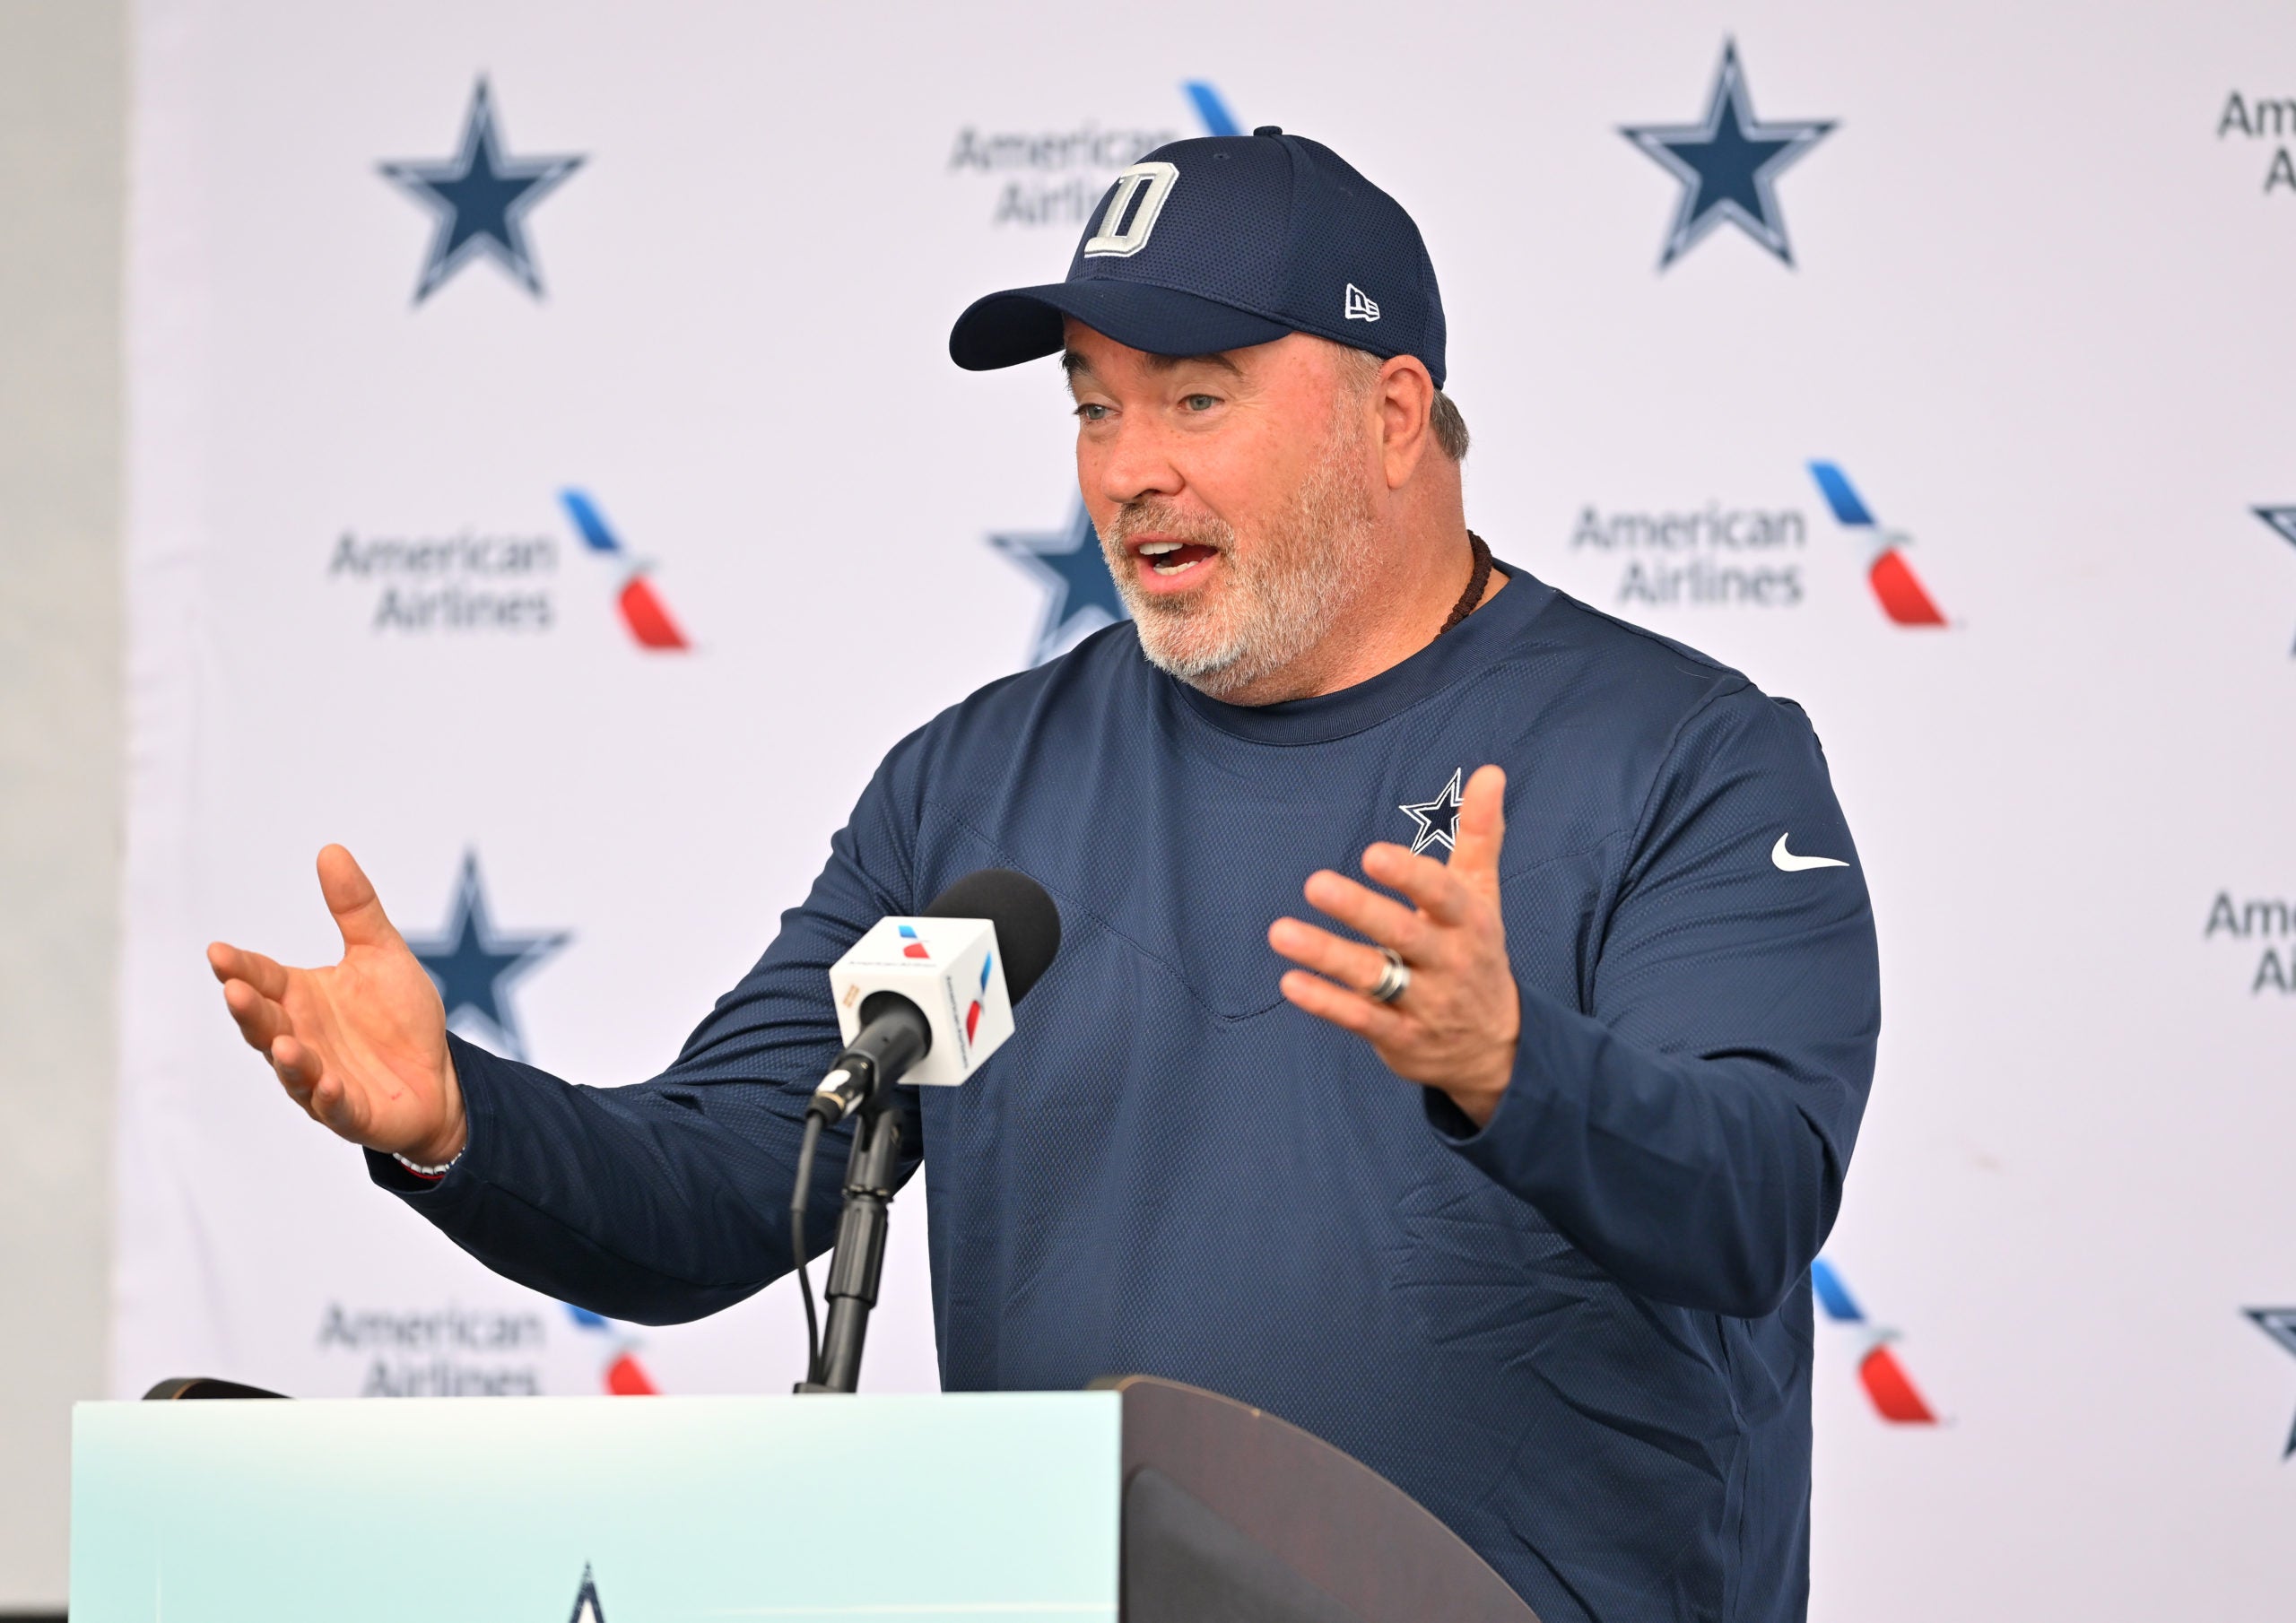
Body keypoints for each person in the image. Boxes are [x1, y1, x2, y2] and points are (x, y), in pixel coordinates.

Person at [208, 128, 1879, 1623]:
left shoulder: (1687, 757)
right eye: (1092, 402)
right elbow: (740, 1175)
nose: (1124, 463)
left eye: (1195, 396)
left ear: (1390, 414)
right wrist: (458, 1123)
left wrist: (1518, 1066)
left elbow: (1755, 1193)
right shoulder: (986, 785)